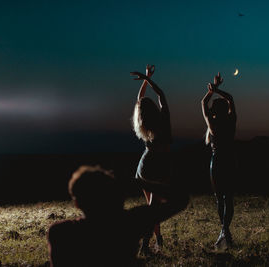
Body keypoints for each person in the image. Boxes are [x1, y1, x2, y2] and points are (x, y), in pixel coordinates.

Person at [47, 165, 188, 267]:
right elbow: (180, 198)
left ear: (77, 203)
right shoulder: (130, 223)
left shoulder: (60, 233)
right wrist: (138, 182)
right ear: (116, 196)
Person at [130, 65, 173, 253]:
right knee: (152, 210)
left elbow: (139, 101)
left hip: (144, 166)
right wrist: (148, 79)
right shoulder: (164, 118)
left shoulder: (144, 124)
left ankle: (158, 239)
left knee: (151, 208)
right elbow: (161, 94)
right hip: (159, 167)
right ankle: (146, 246)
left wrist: (145, 79)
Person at [201, 72, 237, 248]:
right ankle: (224, 231)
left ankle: (224, 231)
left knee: (220, 199)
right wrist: (218, 89)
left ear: (214, 111)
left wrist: (211, 92)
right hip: (229, 161)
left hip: (216, 162)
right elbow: (231, 99)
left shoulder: (212, 125)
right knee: (227, 198)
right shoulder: (231, 121)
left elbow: (202, 104)